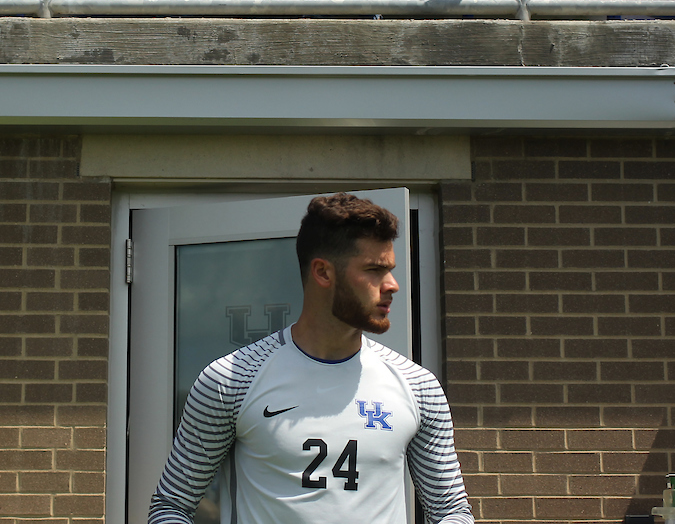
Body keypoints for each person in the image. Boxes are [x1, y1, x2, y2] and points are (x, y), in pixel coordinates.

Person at [147, 192, 473, 524]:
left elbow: (451, 511)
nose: (392, 285)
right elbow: (171, 505)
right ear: (323, 272)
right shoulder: (231, 379)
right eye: (375, 270)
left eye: (389, 270)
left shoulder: (418, 386)